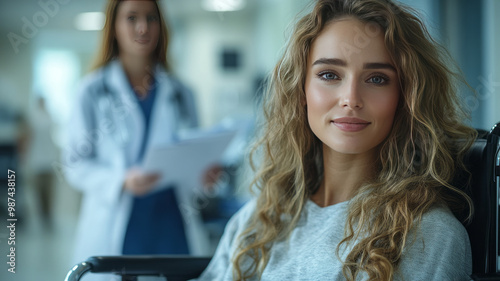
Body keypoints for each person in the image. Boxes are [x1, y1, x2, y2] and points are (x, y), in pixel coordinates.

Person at [198, 0, 477, 280]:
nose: (351, 99)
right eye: (329, 75)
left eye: (377, 79)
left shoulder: (427, 234)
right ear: (301, 91)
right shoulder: (258, 219)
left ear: (406, 97)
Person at [63, 0, 211, 275]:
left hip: (172, 223)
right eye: (131, 18)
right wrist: (120, 181)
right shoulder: (92, 91)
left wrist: (204, 175)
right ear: (114, 27)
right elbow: (75, 164)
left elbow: (191, 157)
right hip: (118, 223)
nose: (143, 28)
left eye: (151, 18)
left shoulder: (181, 93)